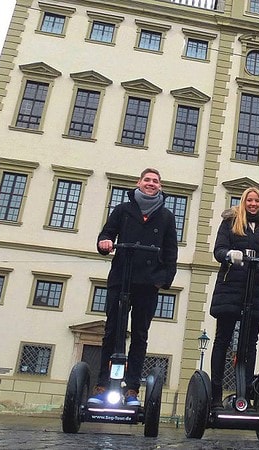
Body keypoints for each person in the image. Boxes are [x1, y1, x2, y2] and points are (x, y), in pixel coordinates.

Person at [88, 168, 178, 407]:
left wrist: (164, 279)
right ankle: (102, 384)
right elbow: (106, 233)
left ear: (160, 186)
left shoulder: (167, 216)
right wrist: (104, 243)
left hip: (148, 283)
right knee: (112, 331)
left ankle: (132, 389)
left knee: (140, 335)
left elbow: (171, 252)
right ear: (139, 183)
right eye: (147, 180)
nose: (151, 184)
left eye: (155, 181)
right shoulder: (123, 210)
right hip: (122, 277)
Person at [209, 187, 259, 408]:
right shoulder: (230, 223)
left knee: (250, 343)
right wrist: (229, 255)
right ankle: (215, 393)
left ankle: (245, 392)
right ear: (243, 202)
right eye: (249, 200)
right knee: (223, 339)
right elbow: (219, 250)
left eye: (256, 201)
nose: (253, 204)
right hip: (231, 288)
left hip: (255, 290)